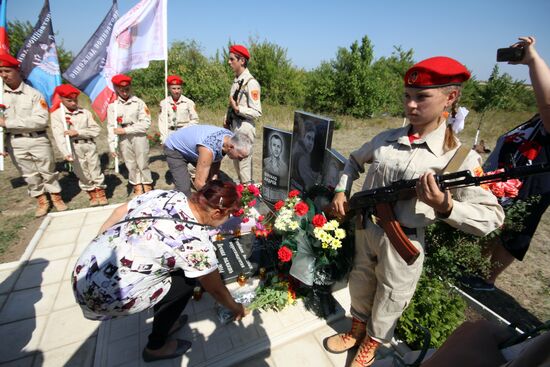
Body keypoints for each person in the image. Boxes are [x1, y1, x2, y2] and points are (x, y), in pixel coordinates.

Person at [323, 56, 505, 367]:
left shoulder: (459, 157)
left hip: (403, 240)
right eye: (407, 96)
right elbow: (353, 161)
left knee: (391, 297)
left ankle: (371, 344)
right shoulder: (387, 139)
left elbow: (492, 217)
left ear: (451, 97)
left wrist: (447, 206)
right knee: (361, 282)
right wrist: (342, 189)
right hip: (368, 228)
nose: (411, 105)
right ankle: (356, 329)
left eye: (421, 97)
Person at [72, 180, 248, 362]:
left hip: (84, 270)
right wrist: (236, 308)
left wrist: (103, 244)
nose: (230, 219)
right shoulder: (196, 245)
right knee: (186, 283)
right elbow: (216, 289)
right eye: (230, 215)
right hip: (105, 297)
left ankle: (167, 321)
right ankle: (156, 346)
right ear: (218, 212)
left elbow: (118, 213)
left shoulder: (167, 195)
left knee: (177, 268)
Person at [462, 36, 550, 292]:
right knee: (493, 225)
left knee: (512, 232)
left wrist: (533, 61)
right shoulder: (536, 120)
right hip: (503, 181)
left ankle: (486, 280)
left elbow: (547, 103)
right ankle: (475, 269)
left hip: (527, 187)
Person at [0, 53, 67, 217]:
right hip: (15, 142)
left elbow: (41, 120)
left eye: (7, 71)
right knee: (28, 174)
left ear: (17, 71)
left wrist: (8, 123)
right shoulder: (1, 95)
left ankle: (56, 198)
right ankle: (42, 201)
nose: (3, 75)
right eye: (1, 71)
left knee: (47, 170)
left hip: (37, 139)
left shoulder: (34, 94)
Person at [50, 84, 108, 207]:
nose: (73, 103)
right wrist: (66, 153)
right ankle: (91, 192)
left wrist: (78, 132)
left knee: (95, 168)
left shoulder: (85, 112)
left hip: (88, 144)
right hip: (73, 148)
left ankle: (100, 192)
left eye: (75, 100)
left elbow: (96, 130)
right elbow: (59, 136)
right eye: (69, 100)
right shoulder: (57, 115)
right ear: (61, 99)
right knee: (81, 171)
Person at [164, 124, 253, 196]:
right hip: (175, 148)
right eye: (240, 156)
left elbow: (217, 157)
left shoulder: (229, 138)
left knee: (214, 182)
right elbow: (199, 183)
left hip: (195, 147)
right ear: (231, 147)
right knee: (184, 190)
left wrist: (214, 180)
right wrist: (215, 199)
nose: (240, 159)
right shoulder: (208, 149)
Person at [107, 74, 154, 196]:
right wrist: (112, 145)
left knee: (142, 160)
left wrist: (127, 130)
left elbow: (146, 123)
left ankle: (147, 183)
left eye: (127, 89)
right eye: (121, 89)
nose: (124, 92)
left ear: (130, 87)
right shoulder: (113, 106)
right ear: (116, 89)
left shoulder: (138, 103)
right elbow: (111, 126)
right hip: (123, 138)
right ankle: (137, 184)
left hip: (138, 135)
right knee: (130, 162)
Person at [224, 44, 262, 184]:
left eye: (232, 59)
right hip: (235, 126)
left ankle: (248, 199)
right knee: (236, 164)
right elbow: (232, 102)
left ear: (242, 61)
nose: (229, 62)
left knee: (244, 168)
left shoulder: (251, 83)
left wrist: (239, 109)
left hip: (245, 127)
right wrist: (227, 117)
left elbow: (257, 112)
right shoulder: (237, 80)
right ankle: (242, 195)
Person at [158, 75, 199, 144]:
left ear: (181, 89)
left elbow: (195, 120)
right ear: (169, 88)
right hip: (170, 134)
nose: (176, 91)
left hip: (185, 134)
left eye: (178, 88)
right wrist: (164, 138)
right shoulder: (164, 103)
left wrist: (184, 129)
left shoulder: (189, 102)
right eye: (173, 88)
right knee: (171, 154)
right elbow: (162, 122)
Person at [291, 120, 319, 192]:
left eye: (312, 140)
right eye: (308, 138)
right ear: (303, 137)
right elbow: (310, 183)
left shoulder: (296, 148)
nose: (310, 143)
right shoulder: (303, 157)